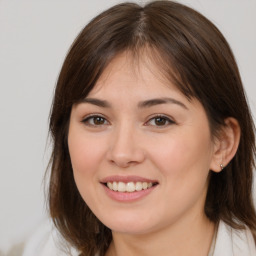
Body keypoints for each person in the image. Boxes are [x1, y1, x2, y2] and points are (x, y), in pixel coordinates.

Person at [22, 1, 256, 255]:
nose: (122, 153)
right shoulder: (40, 247)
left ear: (222, 143)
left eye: (159, 120)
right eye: (97, 119)